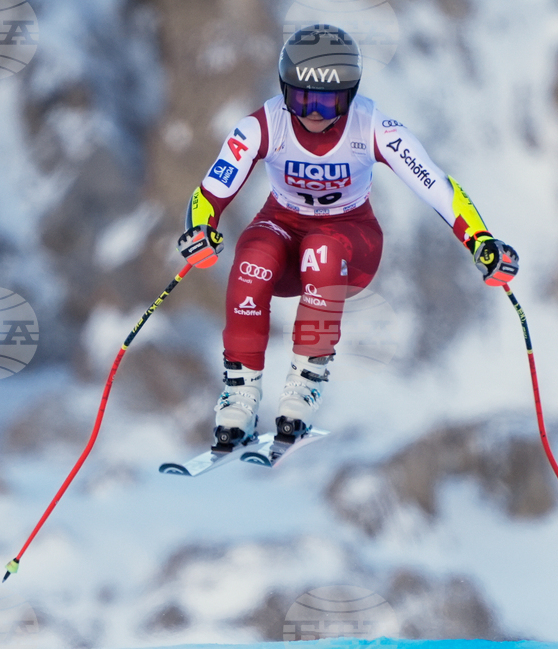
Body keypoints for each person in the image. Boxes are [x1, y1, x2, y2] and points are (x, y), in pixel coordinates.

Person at [178, 24, 518, 452]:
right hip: (283, 226)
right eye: (302, 98)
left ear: (351, 94)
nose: (315, 112)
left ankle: (303, 385)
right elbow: (211, 190)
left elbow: (435, 186)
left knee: (322, 251)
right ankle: (239, 396)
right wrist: (200, 232)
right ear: (285, 90)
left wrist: (480, 242)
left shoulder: (374, 126)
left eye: (328, 100)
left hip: (349, 238)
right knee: (253, 258)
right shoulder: (262, 125)